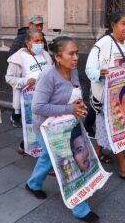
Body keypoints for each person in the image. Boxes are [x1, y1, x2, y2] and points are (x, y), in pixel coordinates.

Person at [25, 36, 99, 222]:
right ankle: (80, 209)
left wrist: (79, 105)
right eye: (71, 53)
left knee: (47, 157)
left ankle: (33, 184)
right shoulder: (48, 76)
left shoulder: (73, 71)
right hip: (46, 128)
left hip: (68, 125)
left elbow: (74, 93)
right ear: (58, 57)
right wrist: (69, 109)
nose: (76, 57)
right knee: (68, 163)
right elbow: (37, 107)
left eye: (77, 53)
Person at [85, 11, 125, 182]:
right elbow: (89, 69)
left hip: (122, 97)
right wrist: (99, 74)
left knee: (109, 129)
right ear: (113, 25)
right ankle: (123, 167)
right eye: (123, 23)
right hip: (105, 98)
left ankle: (98, 152)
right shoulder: (102, 44)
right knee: (115, 130)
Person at [5, 28, 53, 154]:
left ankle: (28, 147)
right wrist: (25, 81)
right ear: (27, 42)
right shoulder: (17, 59)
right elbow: (9, 78)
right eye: (36, 41)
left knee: (45, 126)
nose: (40, 43)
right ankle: (38, 152)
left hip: (47, 98)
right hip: (29, 101)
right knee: (34, 127)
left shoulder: (45, 55)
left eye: (41, 40)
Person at [9, 14, 48, 128]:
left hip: (39, 80)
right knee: (22, 100)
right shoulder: (21, 38)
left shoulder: (42, 38)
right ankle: (15, 117)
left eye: (41, 25)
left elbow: (44, 54)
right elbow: (12, 55)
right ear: (30, 25)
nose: (39, 28)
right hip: (25, 78)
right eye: (37, 25)